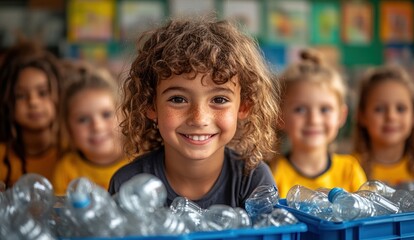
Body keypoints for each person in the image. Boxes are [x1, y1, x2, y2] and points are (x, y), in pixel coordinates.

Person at [108, 18, 279, 209]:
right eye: (178, 99)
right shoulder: (128, 185)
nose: (199, 119)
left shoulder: (254, 180)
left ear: (244, 106)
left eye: (219, 100)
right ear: (150, 105)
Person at [270, 49, 367, 198]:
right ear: (280, 117)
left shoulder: (350, 171)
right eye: (300, 109)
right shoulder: (273, 175)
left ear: (341, 116)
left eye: (325, 109)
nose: (314, 120)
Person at [52, 62, 129, 195]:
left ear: (123, 116)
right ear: (68, 128)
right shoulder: (66, 171)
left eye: (106, 114)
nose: (97, 126)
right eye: (83, 119)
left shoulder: (142, 161)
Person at [352, 65, 414, 188]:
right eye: (379, 109)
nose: (391, 116)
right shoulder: (348, 169)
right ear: (362, 115)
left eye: (400, 109)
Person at [0, 40, 63, 187]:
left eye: (43, 93)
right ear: (6, 100)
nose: (33, 102)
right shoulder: (2, 157)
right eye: (21, 95)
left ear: (60, 94)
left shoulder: (73, 154)